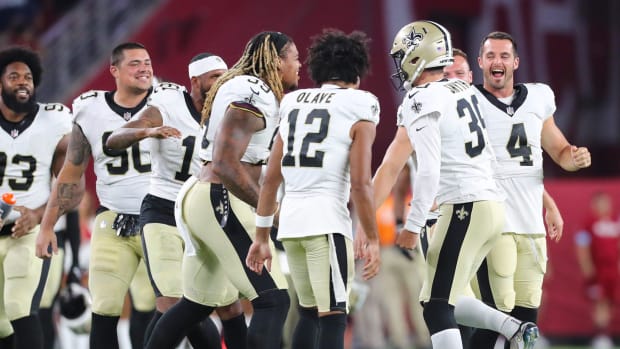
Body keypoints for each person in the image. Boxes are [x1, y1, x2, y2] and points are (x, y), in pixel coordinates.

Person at [359, 20, 543, 349]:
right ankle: (513, 328)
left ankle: (513, 328)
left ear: (418, 56)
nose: (400, 64)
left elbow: (427, 170)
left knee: (437, 307)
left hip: (462, 206)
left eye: (403, 55)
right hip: (489, 206)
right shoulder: (461, 90)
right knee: (447, 297)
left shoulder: (422, 99)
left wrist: (413, 224)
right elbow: (390, 164)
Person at [145, 31, 300, 349]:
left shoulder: (245, 86)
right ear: (276, 61)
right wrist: (269, 212)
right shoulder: (255, 93)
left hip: (202, 195)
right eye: (294, 57)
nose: (299, 65)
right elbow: (226, 163)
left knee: (196, 304)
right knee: (273, 300)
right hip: (219, 197)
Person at [244, 29, 381, 349]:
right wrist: (372, 237)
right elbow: (361, 183)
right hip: (326, 222)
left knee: (307, 312)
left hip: (290, 223)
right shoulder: (362, 103)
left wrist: (261, 236)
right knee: (333, 315)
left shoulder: (292, 101)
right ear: (357, 71)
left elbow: (271, 178)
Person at [106, 52, 248, 348]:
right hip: (164, 210)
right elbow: (114, 140)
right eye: (214, 77)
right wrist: (146, 130)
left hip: (207, 215)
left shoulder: (229, 114)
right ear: (195, 81)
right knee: (172, 303)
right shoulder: (168, 104)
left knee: (229, 306)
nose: (222, 83)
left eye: (225, 76)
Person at [470, 31, 591, 348]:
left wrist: (574, 159)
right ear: (481, 61)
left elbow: (559, 151)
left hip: (531, 223)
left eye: (505, 55)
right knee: (500, 313)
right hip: (494, 221)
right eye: (491, 55)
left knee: (526, 319)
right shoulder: (467, 103)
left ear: (516, 62)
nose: (498, 61)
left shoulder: (538, 98)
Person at [35, 42, 157, 349]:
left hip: (161, 219)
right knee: (104, 309)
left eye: (147, 62)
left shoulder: (169, 100)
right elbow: (71, 174)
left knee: (170, 305)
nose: (144, 68)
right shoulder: (91, 109)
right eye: (134, 63)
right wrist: (48, 225)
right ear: (114, 71)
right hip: (112, 218)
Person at [0, 46, 71, 349]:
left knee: (21, 308)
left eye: (28, 77)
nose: (22, 82)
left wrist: (39, 215)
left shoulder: (54, 121)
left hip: (29, 231)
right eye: (14, 76)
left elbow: (74, 185)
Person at [575, 192, 619, 349]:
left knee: (610, 302)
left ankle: (605, 334)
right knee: (600, 303)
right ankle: (601, 336)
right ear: (594, 205)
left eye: (607, 203)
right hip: (598, 271)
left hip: (613, 271)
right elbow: (582, 245)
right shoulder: (588, 223)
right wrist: (587, 266)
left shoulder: (615, 221)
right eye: (601, 203)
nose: (604, 206)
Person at [38, 210, 80, 349]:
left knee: (43, 310)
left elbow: (72, 212)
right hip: (15, 235)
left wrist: (75, 262)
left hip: (52, 242)